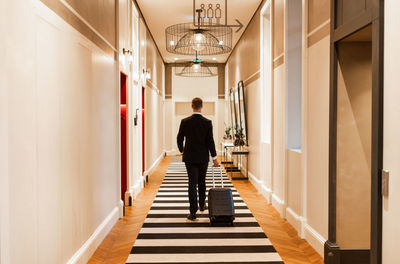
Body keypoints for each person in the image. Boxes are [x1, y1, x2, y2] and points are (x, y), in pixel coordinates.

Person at [177, 97, 219, 221]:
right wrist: (215, 158)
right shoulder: (207, 122)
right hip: (203, 158)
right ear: (201, 106)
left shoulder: (185, 121)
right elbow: (210, 141)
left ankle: (192, 213)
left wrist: (182, 150)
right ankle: (202, 205)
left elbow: (179, 138)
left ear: (192, 106)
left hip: (189, 157)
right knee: (202, 181)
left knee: (192, 183)